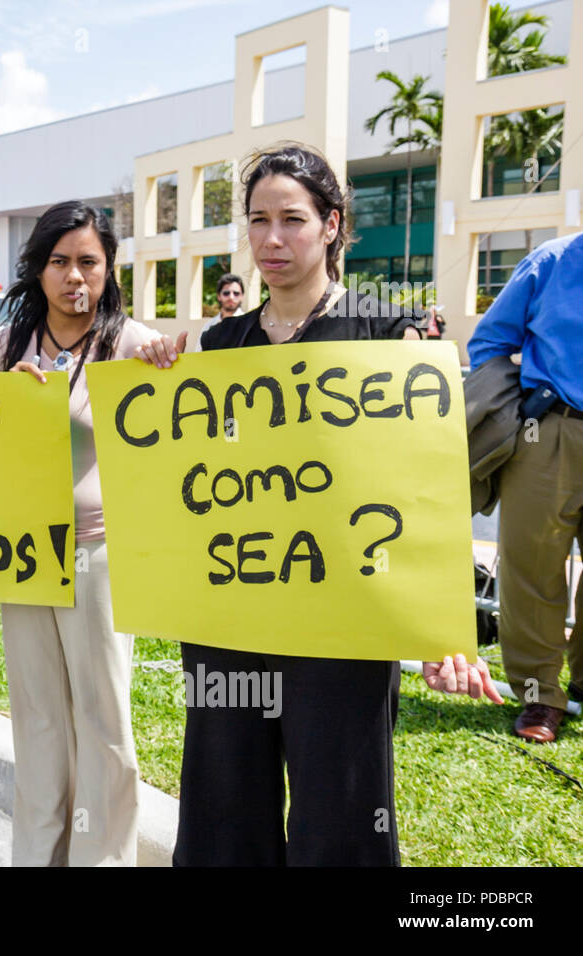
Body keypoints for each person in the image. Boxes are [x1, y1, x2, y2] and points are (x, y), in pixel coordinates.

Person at [139, 143, 503, 866]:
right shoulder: (221, 347)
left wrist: (440, 625)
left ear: (333, 224)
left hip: (344, 628)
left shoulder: (386, 337)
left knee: (340, 814)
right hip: (229, 619)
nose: (273, 240)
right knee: (223, 808)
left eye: (293, 220)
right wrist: (158, 378)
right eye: (258, 221)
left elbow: (420, 491)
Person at [0, 201, 182, 866]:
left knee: (103, 719)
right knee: (38, 719)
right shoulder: (6, 348)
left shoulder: (135, 347)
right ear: (37, 269)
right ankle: (37, 856)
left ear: (109, 269)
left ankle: (103, 859)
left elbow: (172, 446)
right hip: (25, 556)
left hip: (100, 553)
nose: (74, 276)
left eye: (88, 262)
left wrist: (166, 370)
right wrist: (5, 404)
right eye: (59, 261)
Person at [468, 231, 583, 743]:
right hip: (551, 429)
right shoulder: (550, 262)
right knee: (532, 568)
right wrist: (521, 405)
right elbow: (489, 343)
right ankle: (540, 698)